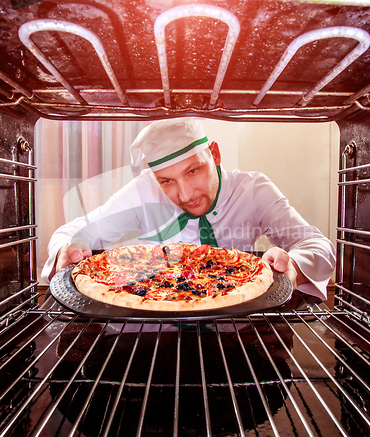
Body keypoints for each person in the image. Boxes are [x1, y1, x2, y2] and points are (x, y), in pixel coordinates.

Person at [42, 117, 336, 300]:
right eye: (166, 181)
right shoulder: (144, 190)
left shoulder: (254, 189)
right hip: (154, 324)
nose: (184, 194)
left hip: (237, 328)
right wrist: (67, 249)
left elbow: (317, 246)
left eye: (194, 171)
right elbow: (73, 232)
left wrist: (293, 265)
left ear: (215, 154)